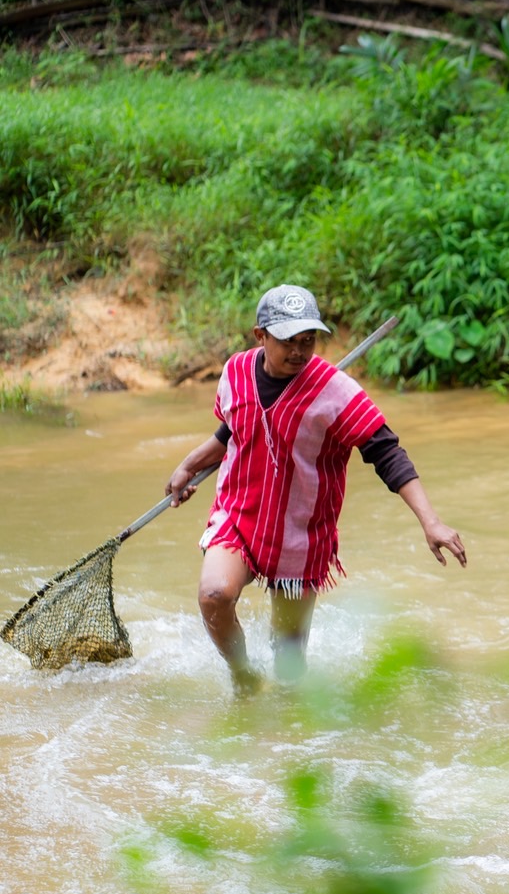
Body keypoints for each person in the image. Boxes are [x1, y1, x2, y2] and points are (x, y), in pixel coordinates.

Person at [166, 284, 466, 696]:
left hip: (299, 535)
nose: (298, 351)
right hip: (238, 517)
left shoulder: (334, 391)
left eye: (307, 341)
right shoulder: (235, 373)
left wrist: (430, 522)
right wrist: (189, 464)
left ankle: (288, 720)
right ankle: (243, 677)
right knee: (214, 595)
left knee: (289, 668)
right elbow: (234, 430)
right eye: (287, 341)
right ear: (260, 336)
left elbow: (385, 452)